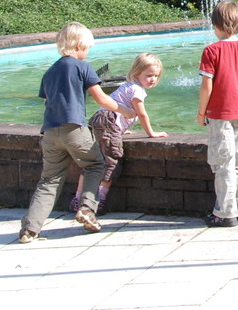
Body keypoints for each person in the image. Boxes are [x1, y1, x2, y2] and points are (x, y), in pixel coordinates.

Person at [18, 22, 131, 244]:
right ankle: (87, 209)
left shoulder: (50, 72)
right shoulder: (82, 66)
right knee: (95, 165)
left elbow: (47, 101)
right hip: (74, 128)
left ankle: (29, 229)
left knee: (48, 180)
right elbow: (101, 99)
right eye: (87, 48)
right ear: (79, 46)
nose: (87, 52)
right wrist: (124, 110)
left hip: (50, 132)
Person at [70, 52, 168, 214]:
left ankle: (78, 199)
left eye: (156, 76)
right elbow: (142, 114)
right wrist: (152, 133)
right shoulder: (137, 90)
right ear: (137, 72)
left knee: (91, 162)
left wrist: (119, 129)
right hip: (108, 122)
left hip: (100, 120)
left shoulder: (127, 86)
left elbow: (115, 109)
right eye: (149, 75)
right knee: (111, 162)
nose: (153, 79)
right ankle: (98, 200)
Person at [196, 0, 238, 227]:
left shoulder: (211, 51)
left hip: (219, 114)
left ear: (215, 25)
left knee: (223, 161)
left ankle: (225, 212)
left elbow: (207, 86)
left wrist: (201, 112)